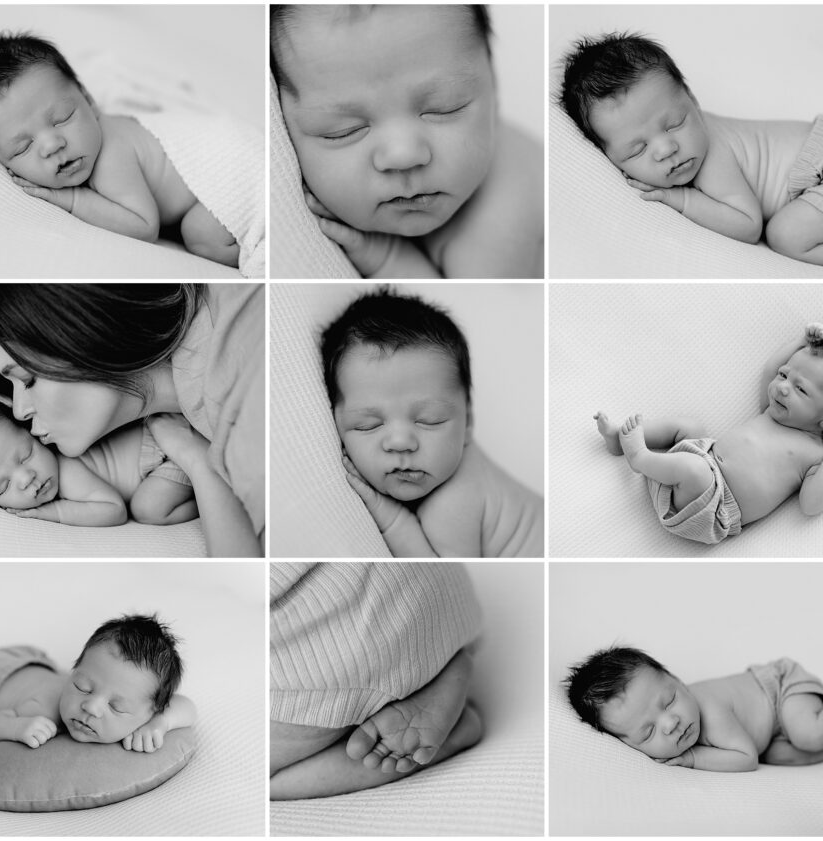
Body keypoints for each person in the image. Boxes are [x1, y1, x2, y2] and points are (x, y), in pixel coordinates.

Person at [0, 283, 264, 557]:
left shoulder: (232, 389)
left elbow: (247, 576)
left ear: (81, 333)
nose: (18, 411)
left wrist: (199, 463)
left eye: (27, 379)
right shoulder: (203, 379)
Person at [560, 33, 823, 267]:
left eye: (675, 123)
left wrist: (681, 200)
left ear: (693, 101)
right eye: (637, 149)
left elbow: (749, 226)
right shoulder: (681, 142)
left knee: (785, 236)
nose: (666, 148)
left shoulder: (712, 154)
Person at [271, 4, 543, 278]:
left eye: (443, 108)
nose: (403, 155)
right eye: (343, 131)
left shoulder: (502, 213)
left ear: (494, 85)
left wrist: (389, 259)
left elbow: (476, 313)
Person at [0, 32, 240, 265]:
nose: (52, 144)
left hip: (221, 182)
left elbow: (143, 226)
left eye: (63, 118)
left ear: (89, 100)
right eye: (23, 147)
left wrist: (74, 200)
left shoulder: (111, 154)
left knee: (200, 234)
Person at [594, 323, 823, 544]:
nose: (782, 388)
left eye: (801, 389)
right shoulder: (771, 411)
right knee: (690, 427)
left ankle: (640, 458)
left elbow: (812, 505)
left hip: (710, 509)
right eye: (785, 376)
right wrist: (801, 342)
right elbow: (769, 369)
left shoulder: (815, 456)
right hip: (697, 460)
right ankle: (618, 440)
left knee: (696, 470)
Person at [322, 289, 543, 557]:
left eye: (430, 421)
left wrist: (391, 519)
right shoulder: (449, 463)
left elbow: (441, 577)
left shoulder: (450, 505)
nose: (401, 442)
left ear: (467, 423)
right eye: (368, 425)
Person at [270, 562, 482, 799]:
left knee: (257, 774)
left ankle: (453, 736)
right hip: (441, 590)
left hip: (345, 651)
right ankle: (446, 661)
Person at [565, 647, 823, 770]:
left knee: (807, 735)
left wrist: (693, 758)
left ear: (678, 680)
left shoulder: (710, 711)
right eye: (648, 732)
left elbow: (747, 759)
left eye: (669, 701)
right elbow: (758, 753)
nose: (671, 724)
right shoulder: (676, 718)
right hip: (765, 735)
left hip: (782, 689)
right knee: (782, 758)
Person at [0, 614, 197, 757]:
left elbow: (187, 707)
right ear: (74, 671)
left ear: (150, 711)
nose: (90, 706)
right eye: (82, 686)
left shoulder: (145, 707)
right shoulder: (43, 710)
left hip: (32, 669)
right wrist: (19, 727)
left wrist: (160, 724)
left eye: (116, 706)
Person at [0, 395, 197, 526]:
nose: (26, 477)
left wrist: (50, 513)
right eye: (3, 487)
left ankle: (206, 499)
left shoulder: (66, 468)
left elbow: (113, 510)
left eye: (26, 454)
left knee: (148, 509)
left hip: (166, 452)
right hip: (161, 455)